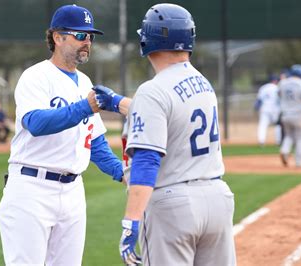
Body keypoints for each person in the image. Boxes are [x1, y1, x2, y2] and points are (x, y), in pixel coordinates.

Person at [93, 3, 236, 265]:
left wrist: (131, 221)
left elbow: (147, 160)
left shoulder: (152, 90)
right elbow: (166, 113)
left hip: (174, 206)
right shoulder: (203, 83)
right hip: (217, 199)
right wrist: (116, 102)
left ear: (148, 40)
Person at [0, 4, 125, 266]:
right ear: (57, 37)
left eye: (90, 36)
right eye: (80, 35)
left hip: (73, 192)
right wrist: (83, 107)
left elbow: (95, 142)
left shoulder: (86, 82)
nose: (87, 41)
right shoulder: (36, 77)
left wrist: (121, 172)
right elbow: (35, 123)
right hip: (32, 188)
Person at [254, 75, 282, 146]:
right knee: (277, 125)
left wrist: (256, 108)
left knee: (262, 125)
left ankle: (261, 141)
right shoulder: (277, 88)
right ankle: (278, 141)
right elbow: (280, 100)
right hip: (275, 109)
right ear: (275, 81)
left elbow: (259, 101)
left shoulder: (263, 87)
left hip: (264, 108)